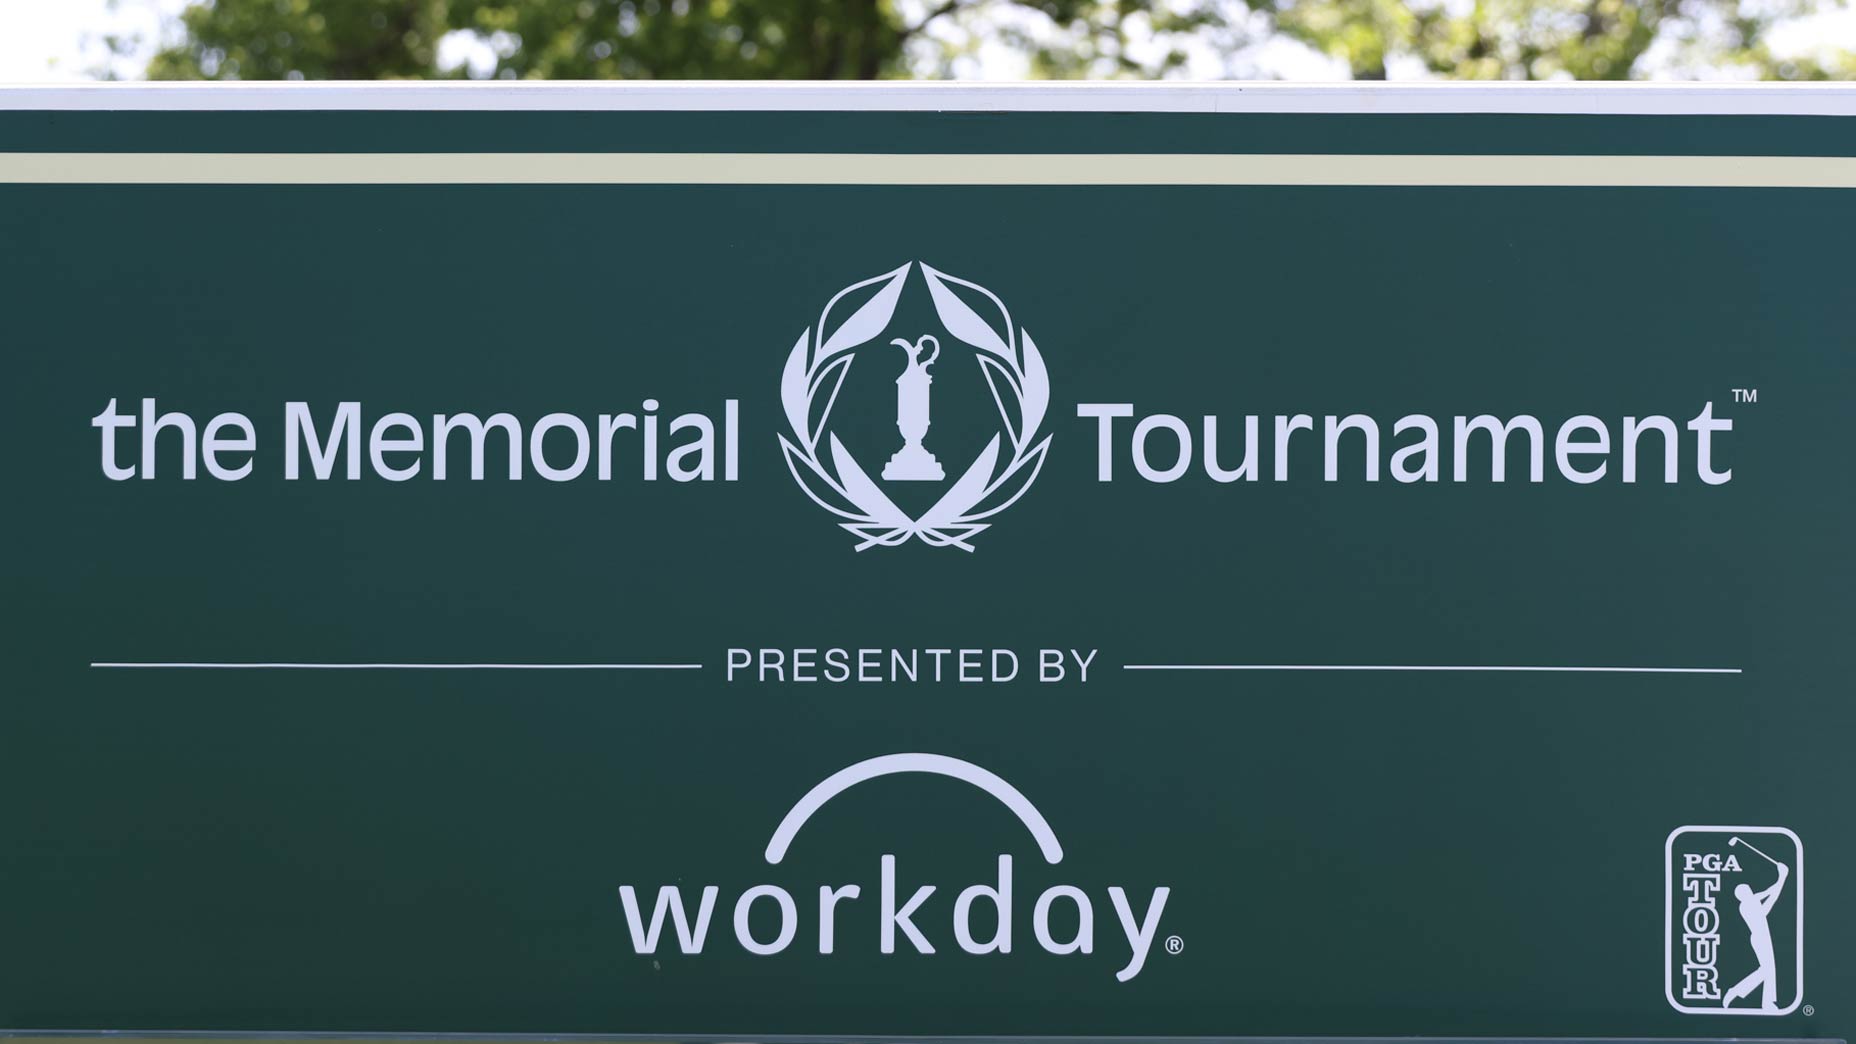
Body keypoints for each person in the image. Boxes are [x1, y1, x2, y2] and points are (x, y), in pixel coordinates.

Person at [1722, 857, 1788, 1010]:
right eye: (1747, 890)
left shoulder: (1752, 900)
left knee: (1769, 969)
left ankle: (1767, 1003)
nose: (1750, 890)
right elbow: (1769, 900)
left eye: (1749, 889)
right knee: (1766, 970)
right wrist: (1782, 877)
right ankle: (1736, 991)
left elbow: (1770, 895)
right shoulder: (1746, 905)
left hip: (1763, 936)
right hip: (1759, 938)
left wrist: (1782, 877)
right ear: (1742, 895)